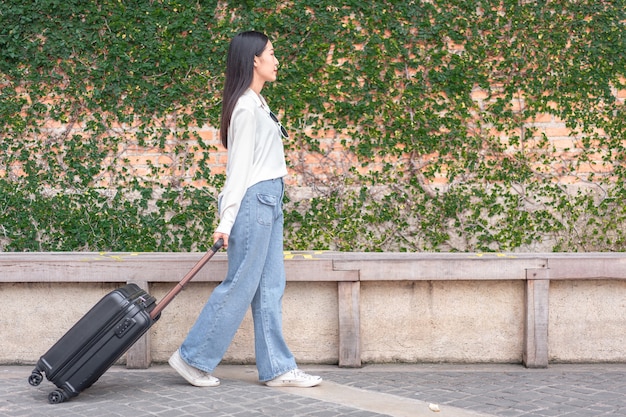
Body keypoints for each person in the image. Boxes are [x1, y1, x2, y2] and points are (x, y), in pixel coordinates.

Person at [168, 31, 322, 388]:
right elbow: (237, 171)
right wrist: (226, 221)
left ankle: (278, 369)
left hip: (270, 198)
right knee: (241, 284)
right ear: (254, 59)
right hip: (255, 200)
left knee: (270, 287)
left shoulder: (257, 103)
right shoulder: (244, 108)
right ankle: (192, 358)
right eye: (272, 53)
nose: (276, 59)